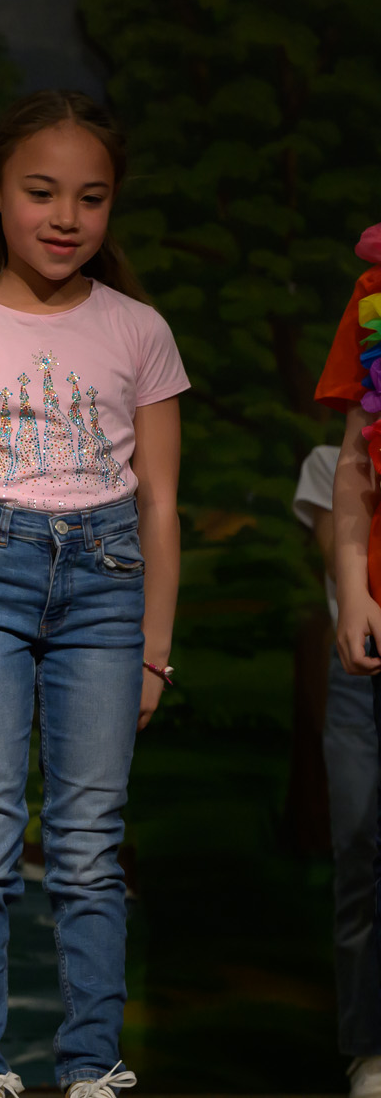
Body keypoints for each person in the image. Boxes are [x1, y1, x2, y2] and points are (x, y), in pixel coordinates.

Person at [0, 91, 185, 1098]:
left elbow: (159, 504)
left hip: (105, 588)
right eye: (41, 192)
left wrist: (154, 648)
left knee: (89, 841)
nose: (65, 218)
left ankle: (91, 1062)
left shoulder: (138, 329)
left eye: (89, 198)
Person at [313, 223, 381, 1097]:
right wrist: (354, 588)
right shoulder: (375, 299)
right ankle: (372, 1044)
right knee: (364, 839)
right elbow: (357, 459)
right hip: (377, 616)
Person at [292, 441, 381, 1096]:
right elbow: (340, 555)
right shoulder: (333, 459)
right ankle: (370, 1046)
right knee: (360, 847)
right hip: (364, 664)